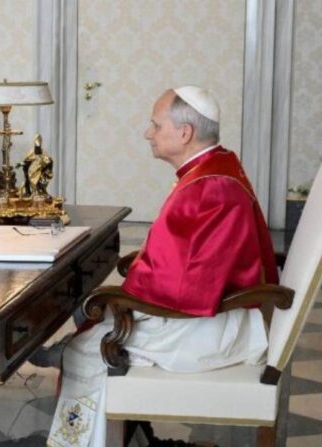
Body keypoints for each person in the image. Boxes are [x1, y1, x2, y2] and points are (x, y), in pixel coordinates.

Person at [46, 86, 278, 447]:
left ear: (184, 133)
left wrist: (123, 289)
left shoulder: (209, 187)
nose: (147, 133)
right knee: (92, 319)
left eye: (156, 125)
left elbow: (187, 286)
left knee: (82, 353)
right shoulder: (216, 165)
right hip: (217, 314)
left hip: (210, 329)